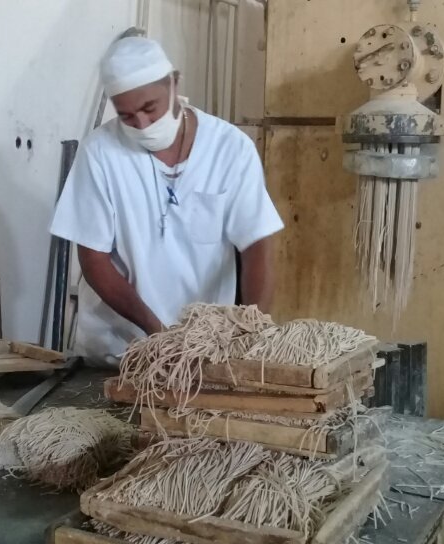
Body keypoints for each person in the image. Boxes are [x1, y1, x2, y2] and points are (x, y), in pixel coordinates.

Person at [49, 37, 284, 366]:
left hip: (208, 350)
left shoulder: (230, 148)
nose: (142, 125)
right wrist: (158, 334)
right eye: (127, 116)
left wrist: (251, 331)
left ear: (174, 83)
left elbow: (257, 246)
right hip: (119, 349)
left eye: (150, 109)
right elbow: (94, 260)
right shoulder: (100, 153)